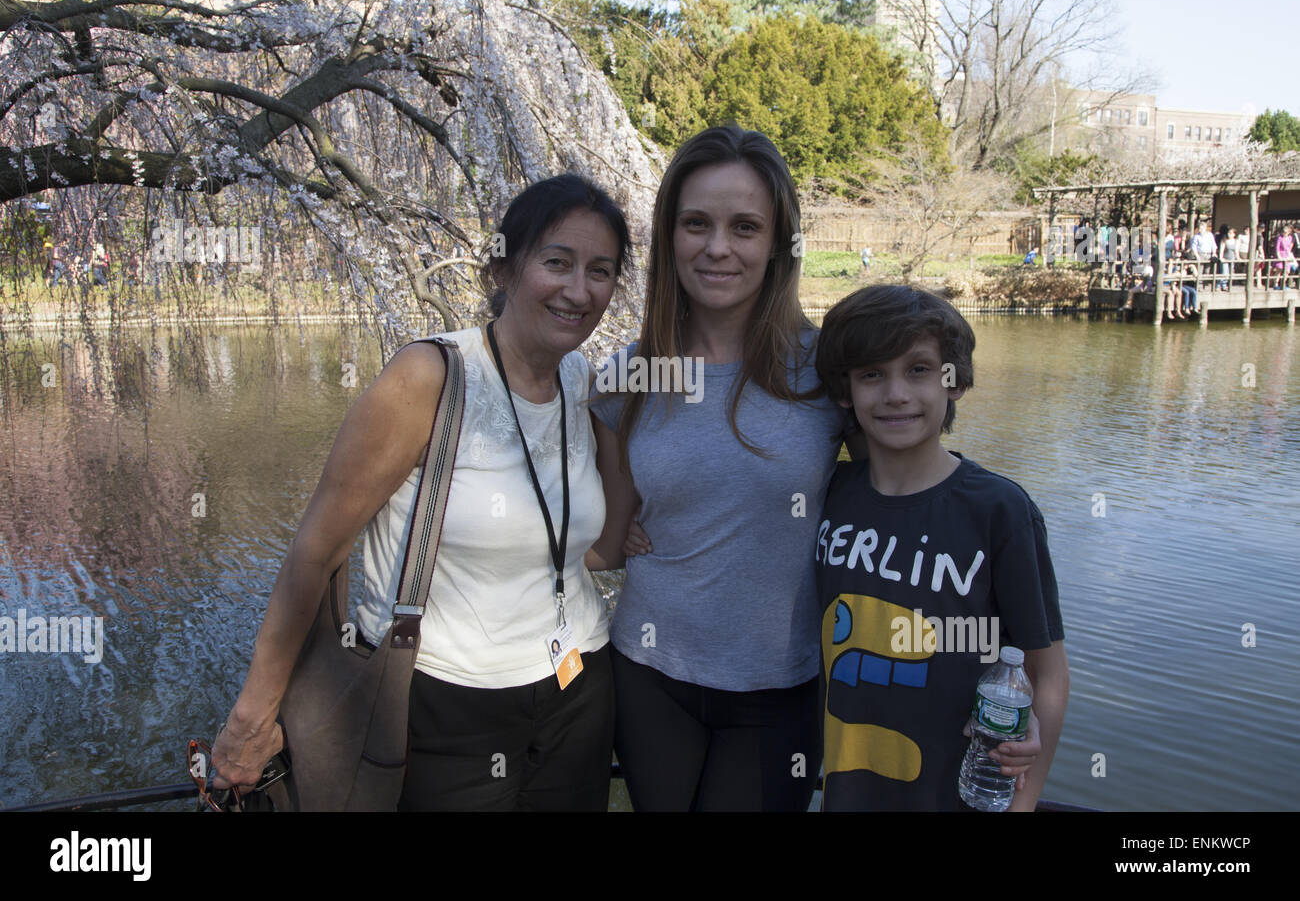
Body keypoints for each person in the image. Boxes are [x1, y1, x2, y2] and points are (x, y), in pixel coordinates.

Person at [211, 174, 630, 811]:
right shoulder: (430, 377)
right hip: (444, 703)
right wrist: (251, 720)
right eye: (557, 263)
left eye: (600, 271)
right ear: (504, 270)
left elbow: (587, 546)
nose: (579, 290)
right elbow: (313, 554)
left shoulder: (583, 382)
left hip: (579, 691)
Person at [585, 124, 859, 811]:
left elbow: (908, 500)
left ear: (776, 244)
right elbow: (609, 535)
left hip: (780, 688)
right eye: (696, 224)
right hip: (649, 676)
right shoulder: (626, 378)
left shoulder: (827, 372)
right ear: (669, 238)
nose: (717, 248)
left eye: (744, 227)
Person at [812, 285, 1068, 810]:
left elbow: (1048, 674)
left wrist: (1022, 804)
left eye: (919, 370)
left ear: (955, 381)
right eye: (871, 374)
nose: (896, 394)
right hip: (848, 790)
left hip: (957, 796)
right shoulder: (827, 495)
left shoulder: (999, 510)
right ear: (845, 391)